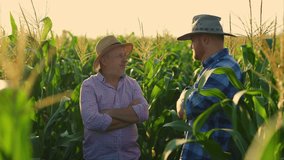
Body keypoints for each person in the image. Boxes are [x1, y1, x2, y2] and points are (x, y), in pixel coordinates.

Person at [176, 14, 243, 159]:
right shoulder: (210, 68)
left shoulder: (224, 69)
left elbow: (188, 109)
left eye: (193, 41)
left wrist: (183, 96)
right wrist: (186, 95)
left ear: (205, 39)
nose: (191, 46)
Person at [79, 35, 149, 160]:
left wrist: (109, 112)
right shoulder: (89, 86)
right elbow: (93, 122)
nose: (125, 60)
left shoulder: (132, 84)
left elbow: (144, 113)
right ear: (104, 60)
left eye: (125, 56)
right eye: (120, 56)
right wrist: (131, 117)